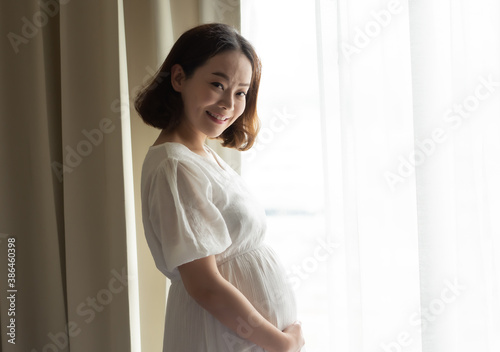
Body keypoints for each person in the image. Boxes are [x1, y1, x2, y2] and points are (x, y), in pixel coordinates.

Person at [135, 23, 305, 352]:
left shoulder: (201, 156)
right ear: (179, 78)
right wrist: (281, 344)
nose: (229, 103)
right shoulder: (175, 165)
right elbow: (205, 286)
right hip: (220, 336)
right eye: (217, 84)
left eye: (241, 92)